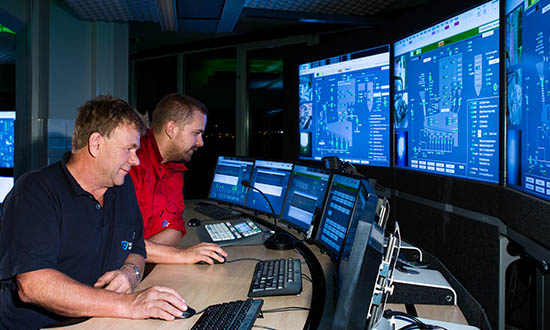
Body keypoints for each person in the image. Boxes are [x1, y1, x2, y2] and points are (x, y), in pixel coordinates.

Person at [0, 96, 189, 330]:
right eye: (129, 149)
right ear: (96, 144)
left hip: (102, 319)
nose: (136, 161)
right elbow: (34, 286)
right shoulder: (34, 192)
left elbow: (137, 250)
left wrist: (131, 273)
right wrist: (128, 304)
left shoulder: (122, 188)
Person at [129, 94, 227, 265]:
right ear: (172, 129)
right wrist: (179, 255)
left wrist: (150, 253)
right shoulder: (130, 163)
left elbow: (175, 228)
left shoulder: (174, 168)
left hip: (146, 266)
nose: (201, 142)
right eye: (196, 133)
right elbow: (120, 244)